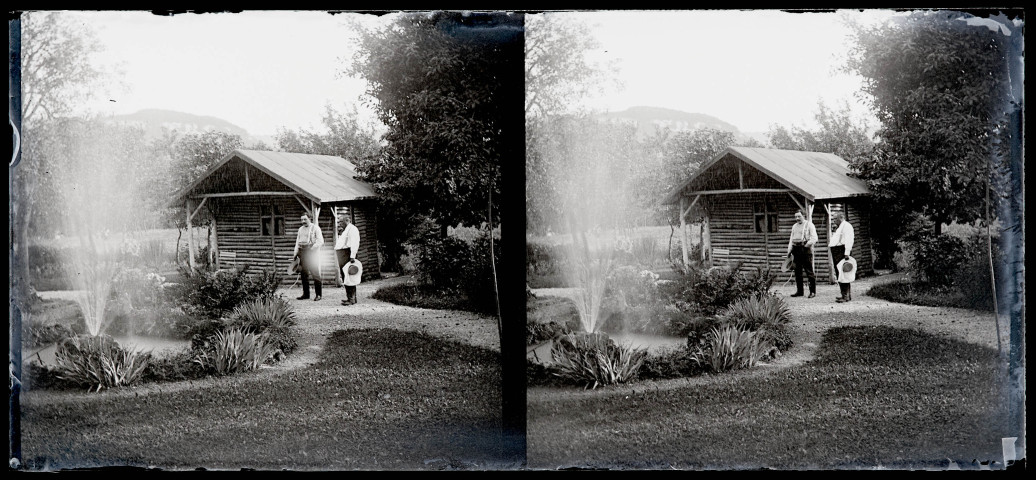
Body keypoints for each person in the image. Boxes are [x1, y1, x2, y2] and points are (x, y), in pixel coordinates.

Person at [786, 209, 818, 298]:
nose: (797, 218)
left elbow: (814, 238)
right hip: (796, 250)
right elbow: (791, 239)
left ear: (804, 216)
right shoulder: (794, 226)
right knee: (797, 271)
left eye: (799, 216)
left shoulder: (809, 225)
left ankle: (812, 292)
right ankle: (800, 291)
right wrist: (789, 251)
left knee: (809, 271)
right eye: (796, 216)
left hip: (805, 249)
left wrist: (806, 245)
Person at [293, 213, 324, 301]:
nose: (303, 221)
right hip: (302, 252)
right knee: (303, 273)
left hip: (311, 252)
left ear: (310, 219)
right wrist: (295, 253)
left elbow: (320, 241)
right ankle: (306, 294)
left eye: (305, 219)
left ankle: (318, 295)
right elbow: (297, 242)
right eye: (302, 219)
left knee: (315, 273)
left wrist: (312, 249)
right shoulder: (300, 229)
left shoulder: (315, 228)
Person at [335, 210, 360, 305]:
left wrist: (352, 256)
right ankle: (350, 297)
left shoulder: (353, 229)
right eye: (339, 222)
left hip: (347, 254)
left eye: (341, 221)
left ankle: (352, 298)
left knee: (349, 275)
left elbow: (354, 243)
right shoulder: (345, 230)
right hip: (342, 254)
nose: (340, 223)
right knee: (345, 276)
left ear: (347, 220)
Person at [829, 212, 855, 302]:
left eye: (835, 219)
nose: (833, 221)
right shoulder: (840, 227)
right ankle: (844, 294)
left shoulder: (847, 226)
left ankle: (846, 296)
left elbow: (849, 240)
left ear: (841, 217)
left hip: (842, 251)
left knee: (844, 273)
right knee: (839, 273)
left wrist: (847, 252)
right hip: (837, 251)